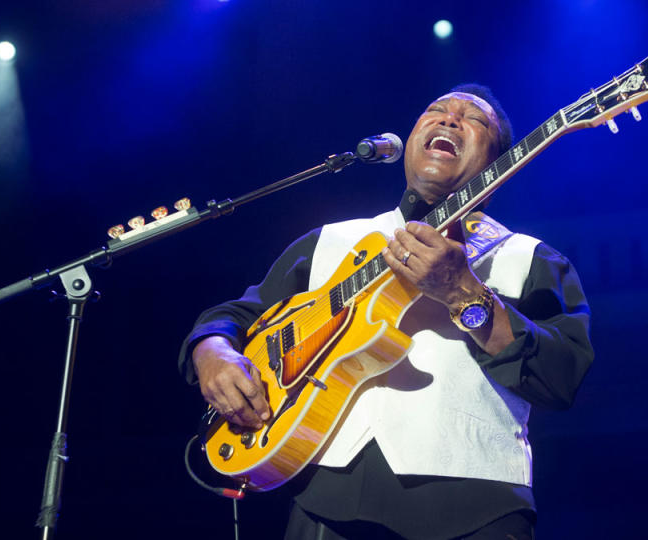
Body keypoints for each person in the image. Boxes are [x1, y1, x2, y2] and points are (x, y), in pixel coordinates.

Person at [178, 84, 593, 539]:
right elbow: (235, 316)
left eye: (474, 119)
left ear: (500, 163)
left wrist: (463, 294)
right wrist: (212, 353)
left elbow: (560, 378)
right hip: (323, 502)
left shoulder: (530, 258)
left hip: (475, 509)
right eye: (435, 110)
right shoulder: (331, 241)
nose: (449, 119)